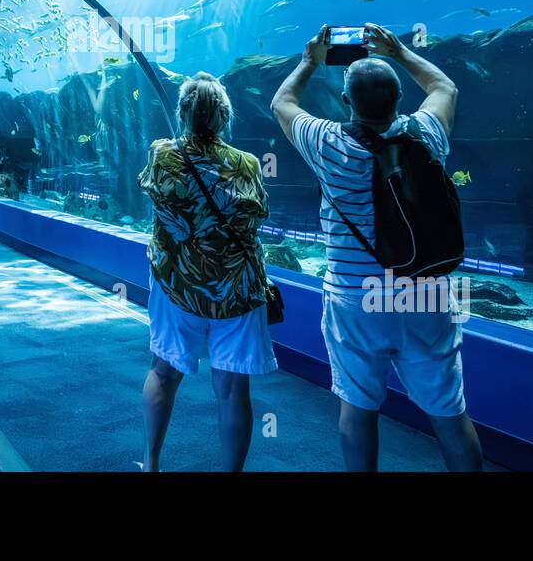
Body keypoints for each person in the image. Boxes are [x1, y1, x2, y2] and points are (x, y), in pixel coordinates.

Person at [271, 24, 483, 472]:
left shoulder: (329, 143)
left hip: (355, 298)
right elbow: (444, 86)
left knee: (358, 409)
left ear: (347, 102)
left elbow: (282, 104)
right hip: (428, 293)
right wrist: (401, 52)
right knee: (450, 413)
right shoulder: (427, 135)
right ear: (399, 99)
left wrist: (310, 61)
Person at [138, 72, 275, 472]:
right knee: (233, 387)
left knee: (163, 371)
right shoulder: (247, 164)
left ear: (182, 112)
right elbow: (258, 217)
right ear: (225, 116)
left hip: (178, 284)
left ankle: (151, 463)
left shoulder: (162, 153)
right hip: (237, 290)